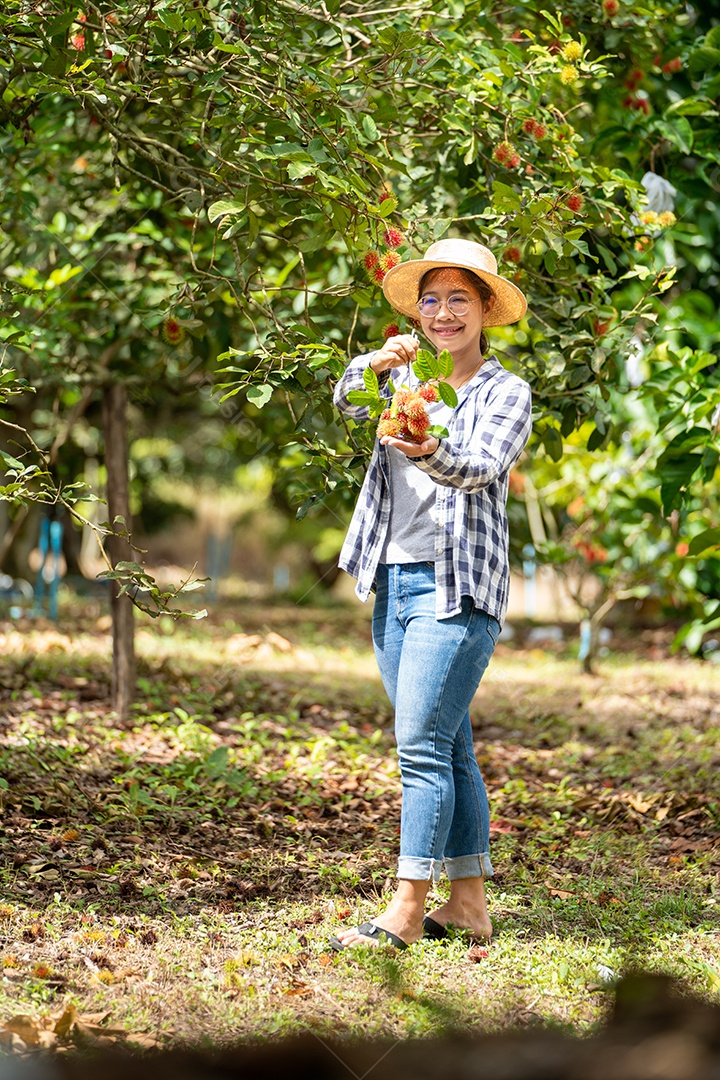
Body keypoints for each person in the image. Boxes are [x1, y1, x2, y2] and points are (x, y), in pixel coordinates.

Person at [330, 237, 532, 950]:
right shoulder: (405, 379)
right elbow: (349, 407)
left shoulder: (506, 391)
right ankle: (470, 906)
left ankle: (408, 909)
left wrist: (429, 450)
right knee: (448, 748)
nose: (443, 312)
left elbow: (482, 468)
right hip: (393, 578)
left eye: (458, 299)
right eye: (431, 298)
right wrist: (370, 366)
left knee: (419, 746)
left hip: (457, 587)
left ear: (484, 311)